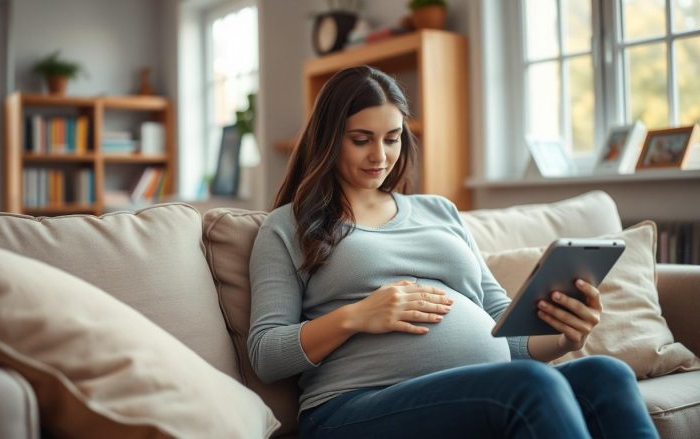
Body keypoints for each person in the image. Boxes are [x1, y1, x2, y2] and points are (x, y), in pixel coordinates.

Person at [248, 66, 658, 438]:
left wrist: (564, 338)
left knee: (606, 375)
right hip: (352, 406)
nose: (380, 156)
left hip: (482, 389)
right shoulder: (288, 225)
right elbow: (265, 353)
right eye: (361, 140)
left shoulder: (439, 211)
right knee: (530, 386)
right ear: (328, 139)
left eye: (392, 138)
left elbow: (505, 333)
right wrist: (357, 316)